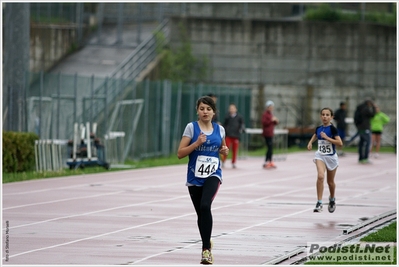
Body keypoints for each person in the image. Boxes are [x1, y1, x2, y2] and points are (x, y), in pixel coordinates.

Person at [177, 95, 229, 265]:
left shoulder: (219, 129)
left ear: (214, 112)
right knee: (201, 213)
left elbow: (222, 149)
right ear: (197, 111)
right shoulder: (191, 128)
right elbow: (180, 153)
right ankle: (207, 241)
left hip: (213, 174)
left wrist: (225, 151)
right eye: (202, 109)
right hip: (194, 177)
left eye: (208, 109)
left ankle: (205, 250)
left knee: (205, 205)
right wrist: (196, 143)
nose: (205, 112)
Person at [307, 108, 343, 213]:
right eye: (323, 114)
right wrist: (310, 142)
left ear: (331, 117)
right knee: (320, 176)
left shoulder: (333, 129)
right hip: (320, 156)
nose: (325, 117)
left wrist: (327, 138)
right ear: (320, 116)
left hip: (331, 158)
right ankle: (319, 202)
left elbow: (340, 143)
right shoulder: (319, 128)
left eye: (327, 115)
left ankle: (332, 199)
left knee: (330, 182)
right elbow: (315, 135)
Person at [221, 103, 245, 168]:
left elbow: (242, 124)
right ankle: (223, 161)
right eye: (230, 108)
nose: (232, 110)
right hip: (228, 135)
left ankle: (233, 162)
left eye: (233, 108)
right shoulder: (227, 116)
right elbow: (224, 125)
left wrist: (242, 129)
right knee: (225, 148)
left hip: (236, 136)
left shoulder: (239, 117)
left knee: (235, 150)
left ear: (236, 109)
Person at [354, 98, 376, 164]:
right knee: (367, 143)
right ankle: (365, 158)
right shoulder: (365, 109)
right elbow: (372, 115)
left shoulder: (359, 108)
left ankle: (360, 158)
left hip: (360, 128)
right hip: (365, 128)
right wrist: (374, 107)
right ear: (368, 103)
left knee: (361, 143)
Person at [262, 100, 279, 169]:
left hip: (271, 133)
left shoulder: (271, 114)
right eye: (270, 107)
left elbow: (274, 123)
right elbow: (264, 123)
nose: (271, 108)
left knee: (271, 147)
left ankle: (270, 160)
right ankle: (267, 161)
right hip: (267, 133)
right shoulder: (265, 114)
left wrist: (276, 121)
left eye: (272, 107)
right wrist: (271, 120)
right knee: (269, 147)